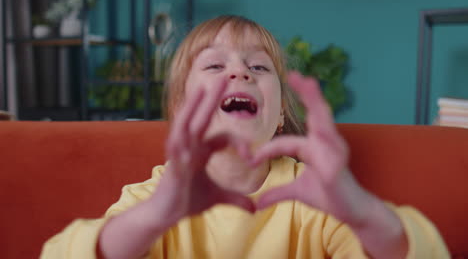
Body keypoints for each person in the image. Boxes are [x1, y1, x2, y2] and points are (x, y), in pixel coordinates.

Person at [41, 15, 449, 259]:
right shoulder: (154, 197)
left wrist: (362, 211)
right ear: (183, 113)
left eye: (260, 66)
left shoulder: (313, 196)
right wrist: (153, 217)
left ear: (278, 117)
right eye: (215, 65)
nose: (240, 72)